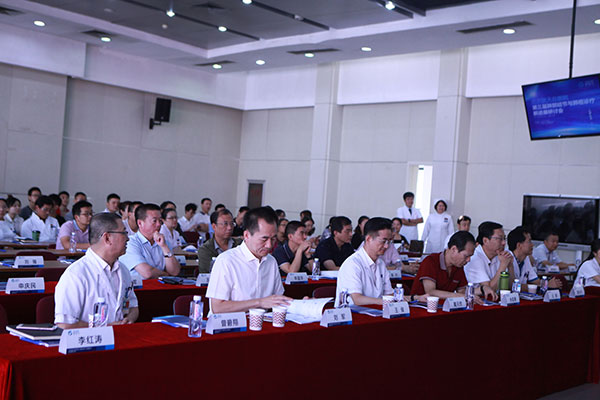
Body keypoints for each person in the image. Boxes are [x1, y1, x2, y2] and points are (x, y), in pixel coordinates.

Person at [54, 213, 138, 328]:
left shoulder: (123, 270)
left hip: (121, 334)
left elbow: (133, 306)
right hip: (90, 338)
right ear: (107, 238)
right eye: (124, 233)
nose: (128, 238)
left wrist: (129, 319)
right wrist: (108, 327)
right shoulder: (76, 274)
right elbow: (65, 324)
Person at [206, 206, 292, 314]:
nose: (269, 245)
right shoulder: (226, 261)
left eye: (273, 238)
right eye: (264, 239)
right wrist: (259, 302)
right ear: (246, 235)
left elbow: (277, 299)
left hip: (259, 322)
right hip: (229, 323)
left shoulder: (271, 262)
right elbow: (218, 307)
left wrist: (301, 305)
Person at [335, 217, 428, 307]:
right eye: (383, 241)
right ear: (368, 239)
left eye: (389, 242)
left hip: (376, 312)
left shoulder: (380, 264)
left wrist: (415, 298)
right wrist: (387, 301)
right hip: (353, 315)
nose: (387, 246)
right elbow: (357, 299)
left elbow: (390, 295)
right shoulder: (353, 264)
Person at [411, 231, 494, 303]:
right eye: (466, 256)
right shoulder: (431, 261)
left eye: (470, 256)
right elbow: (431, 292)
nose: (468, 260)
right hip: (420, 307)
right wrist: (462, 296)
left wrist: (482, 289)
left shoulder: (458, 266)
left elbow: (462, 291)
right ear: (454, 249)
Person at [119, 203, 181, 280]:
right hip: (139, 286)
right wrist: (166, 275)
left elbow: (175, 272)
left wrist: (164, 247)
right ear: (140, 223)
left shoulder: (163, 242)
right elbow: (147, 273)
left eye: (160, 221)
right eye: (154, 221)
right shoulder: (130, 243)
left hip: (161, 285)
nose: (159, 225)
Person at [464, 221, 511, 295]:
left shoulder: (498, 255)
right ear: (485, 240)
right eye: (500, 239)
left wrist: (510, 265)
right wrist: (503, 265)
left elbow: (510, 286)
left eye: (504, 238)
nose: (504, 243)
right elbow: (489, 290)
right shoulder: (474, 257)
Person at [197, 209, 241, 273]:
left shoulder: (240, 245)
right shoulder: (205, 249)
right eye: (225, 224)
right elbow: (209, 273)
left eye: (232, 224)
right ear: (214, 226)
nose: (229, 228)